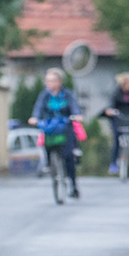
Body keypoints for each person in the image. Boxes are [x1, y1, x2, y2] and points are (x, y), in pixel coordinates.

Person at [28, 67, 84, 198]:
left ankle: (73, 185)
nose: (49, 84)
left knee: (68, 156)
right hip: (49, 127)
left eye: (52, 81)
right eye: (47, 81)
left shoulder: (67, 94)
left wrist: (77, 115)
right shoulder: (45, 95)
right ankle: (49, 164)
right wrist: (34, 118)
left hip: (65, 126)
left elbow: (74, 106)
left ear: (59, 82)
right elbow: (38, 108)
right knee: (46, 143)